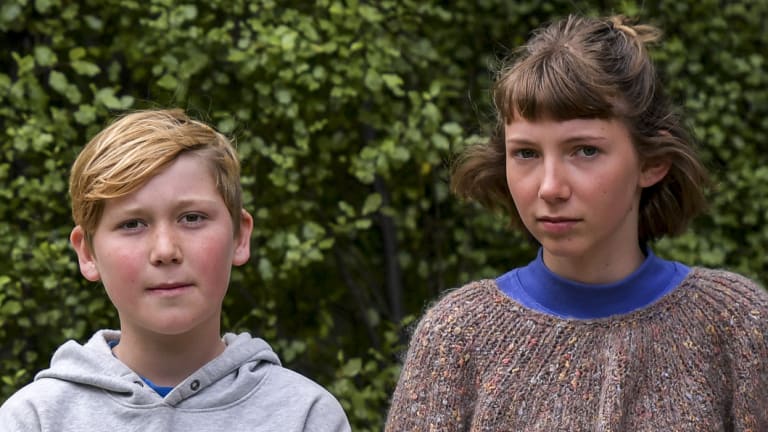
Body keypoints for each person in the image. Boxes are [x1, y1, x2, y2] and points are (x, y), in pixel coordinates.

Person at [385, 14, 768, 431]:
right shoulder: (457, 336)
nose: (550, 187)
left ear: (652, 162)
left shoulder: (737, 325)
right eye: (526, 154)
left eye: (584, 150)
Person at [0, 109, 351, 431]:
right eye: (133, 224)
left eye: (192, 218)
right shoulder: (34, 420)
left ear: (240, 237)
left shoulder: (305, 416)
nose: (166, 250)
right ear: (88, 253)